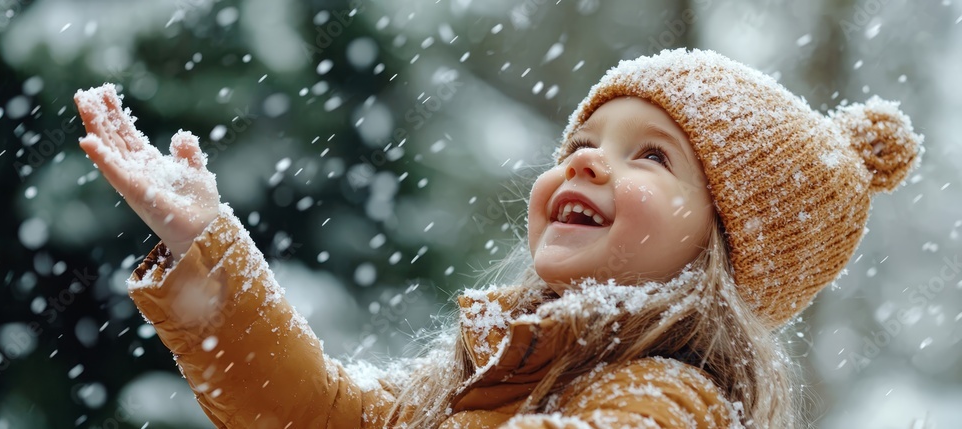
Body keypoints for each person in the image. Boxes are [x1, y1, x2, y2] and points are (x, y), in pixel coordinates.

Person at [74, 48, 922, 428]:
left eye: (650, 155)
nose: (585, 162)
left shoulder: (672, 400)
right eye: (580, 143)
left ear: (724, 249)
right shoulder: (498, 367)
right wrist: (205, 244)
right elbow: (319, 414)